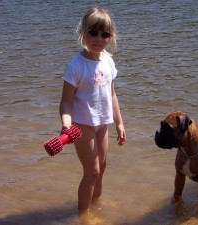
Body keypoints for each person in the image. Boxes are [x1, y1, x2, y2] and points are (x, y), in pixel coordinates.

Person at [59, 7, 126, 214]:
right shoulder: (76, 66)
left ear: (111, 36)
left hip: (102, 124)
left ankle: (96, 202)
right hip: (81, 125)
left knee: (102, 167)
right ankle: (84, 214)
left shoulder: (108, 60)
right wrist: (66, 125)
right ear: (82, 33)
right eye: (93, 33)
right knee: (92, 171)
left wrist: (119, 122)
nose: (99, 38)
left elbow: (112, 94)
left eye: (104, 34)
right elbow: (66, 102)